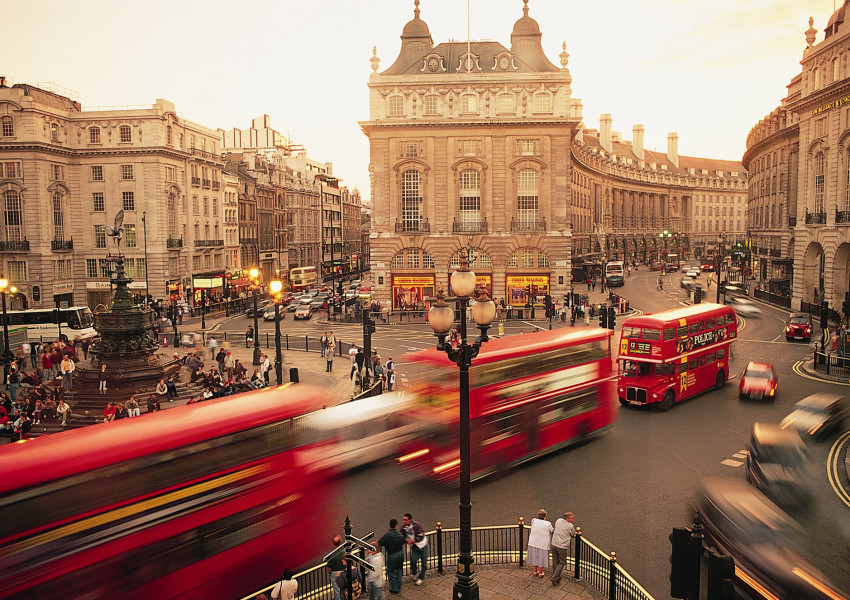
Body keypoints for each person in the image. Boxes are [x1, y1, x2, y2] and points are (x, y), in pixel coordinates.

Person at [378, 519, 405, 594]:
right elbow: (404, 540)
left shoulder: (387, 535)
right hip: (401, 553)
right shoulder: (399, 534)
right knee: (399, 569)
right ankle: (399, 586)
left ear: (390, 525)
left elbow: (380, 543)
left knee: (390, 571)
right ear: (396, 525)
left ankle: (394, 588)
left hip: (392, 555)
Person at [550, 512, 576, 586]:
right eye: (572, 518)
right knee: (562, 562)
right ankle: (554, 577)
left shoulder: (558, 520)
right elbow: (573, 533)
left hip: (554, 543)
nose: (573, 519)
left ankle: (556, 576)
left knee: (555, 561)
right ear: (567, 518)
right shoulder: (570, 526)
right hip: (562, 546)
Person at [526, 508, 553, 578]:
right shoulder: (548, 524)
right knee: (541, 558)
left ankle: (535, 571)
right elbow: (552, 530)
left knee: (534, 557)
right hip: (543, 544)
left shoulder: (533, 521)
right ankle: (540, 573)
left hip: (533, 542)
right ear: (545, 516)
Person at [402, 513, 427, 585]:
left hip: (422, 544)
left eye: (406, 520)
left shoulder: (417, 525)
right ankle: (414, 573)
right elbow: (402, 536)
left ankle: (421, 578)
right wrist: (405, 540)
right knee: (413, 560)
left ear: (410, 520)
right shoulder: (403, 527)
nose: (404, 521)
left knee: (424, 563)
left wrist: (414, 540)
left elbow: (421, 535)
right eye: (404, 520)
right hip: (415, 546)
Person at [326, 535, 344, 600]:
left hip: (334, 573)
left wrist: (329, 574)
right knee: (344, 588)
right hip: (344, 572)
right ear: (340, 542)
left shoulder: (332, 554)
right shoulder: (344, 551)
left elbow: (329, 568)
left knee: (337, 590)